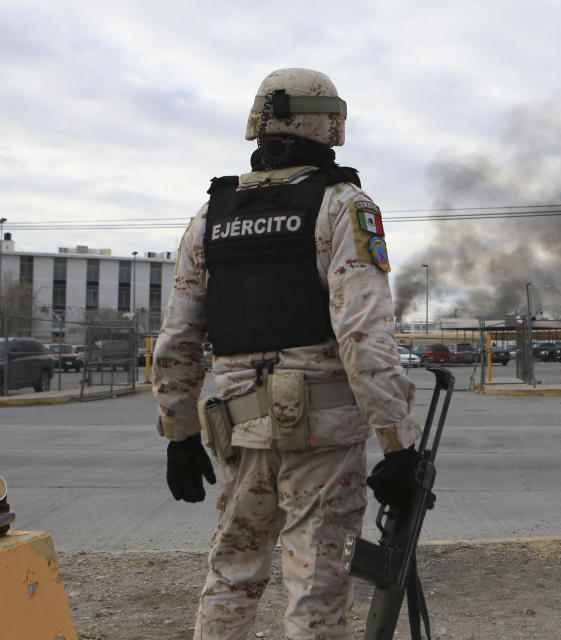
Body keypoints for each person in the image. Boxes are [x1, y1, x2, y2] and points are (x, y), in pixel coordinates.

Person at [152, 68, 421, 640]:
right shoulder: (342, 205)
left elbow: (177, 337)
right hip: (321, 437)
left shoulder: (210, 217)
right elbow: (363, 334)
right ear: (329, 125)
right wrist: (397, 442)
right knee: (318, 586)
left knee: (231, 574)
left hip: (238, 430)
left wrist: (178, 434)